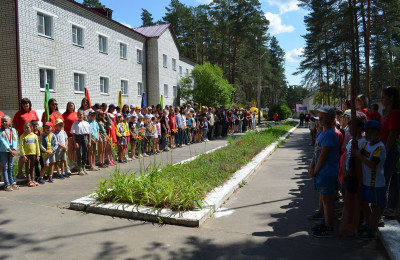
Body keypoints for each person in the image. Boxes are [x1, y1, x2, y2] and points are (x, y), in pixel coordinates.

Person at [350, 120, 386, 239]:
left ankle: (373, 229)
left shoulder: (379, 147)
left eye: (372, 132)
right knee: (365, 204)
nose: (369, 135)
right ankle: (368, 223)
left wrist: (359, 155)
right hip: (365, 181)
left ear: (378, 133)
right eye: (367, 132)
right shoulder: (366, 144)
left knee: (375, 208)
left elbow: (372, 164)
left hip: (375, 183)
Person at [308, 106, 339, 237]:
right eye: (319, 116)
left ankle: (329, 226)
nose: (319, 119)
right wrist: (311, 165)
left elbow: (323, 155)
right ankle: (326, 222)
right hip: (322, 171)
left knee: (327, 200)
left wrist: (315, 170)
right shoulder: (322, 133)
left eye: (322, 117)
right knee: (324, 198)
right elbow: (316, 152)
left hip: (327, 171)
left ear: (331, 119)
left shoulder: (330, 134)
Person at [380, 86, 400, 218]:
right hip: (385, 147)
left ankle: (386, 208)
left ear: (391, 98)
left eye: (383, 97)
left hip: (389, 149)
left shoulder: (395, 113)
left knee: (385, 179)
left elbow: (392, 135)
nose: (381, 99)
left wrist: (384, 153)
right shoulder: (387, 112)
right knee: (390, 179)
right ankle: (389, 207)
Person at [13, 98, 40, 179]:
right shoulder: (19, 113)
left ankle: (31, 173)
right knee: (23, 155)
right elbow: (14, 125)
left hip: (33, 136)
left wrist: (36, 133)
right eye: (24, 104)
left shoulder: (33, 112)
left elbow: (36, 123)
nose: (26, 105)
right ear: (21, 105)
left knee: (32, 154)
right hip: (23, 136)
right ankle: (20, 173)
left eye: (27, 103)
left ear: (29, 104)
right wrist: (19, 133)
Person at [0, 115, 19, 191]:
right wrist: (10, 150)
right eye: (2, 121)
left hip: (11, 152)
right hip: (3, 151)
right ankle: (6, 184)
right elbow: (3, 141)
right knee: (5, 167)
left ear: (10, 122)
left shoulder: (13, 130)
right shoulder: (1, 131)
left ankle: (12, 182)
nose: (4, 122)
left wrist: (14, 150)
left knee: (10, 167)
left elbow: (15, 140)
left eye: (6, 121)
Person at [19, 122, 40, 187]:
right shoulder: (22, 136)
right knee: (27, 167)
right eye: (24, 128)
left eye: (27, 127)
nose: (26, 129)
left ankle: (33, 179)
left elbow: (37, 146)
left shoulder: (34, 136)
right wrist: (23, 155)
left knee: (32, 167)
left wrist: (38, 155)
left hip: (33, 154)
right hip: (26, 155)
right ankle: (29, 180)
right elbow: (21, 146)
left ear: (31, 128)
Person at [71, 110, 91, 175]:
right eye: (78, 114)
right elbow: (73, 134)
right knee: (79, 154)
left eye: (81, 114)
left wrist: (89, 141)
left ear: (83, 115)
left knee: (85, 154)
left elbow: (89, 133)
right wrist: (75, 142)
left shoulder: (86, 123)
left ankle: (83, 167)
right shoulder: (75, 124)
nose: (80, 116)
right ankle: (80, 169)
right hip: (78, 138)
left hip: (85, 138)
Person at [62, 102, 78, 173]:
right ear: (67, 107)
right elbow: (62, 124)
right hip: (69, 134)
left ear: (74, 106)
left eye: (72, 106)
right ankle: (71, 163)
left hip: (76, 134)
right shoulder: (64, 115)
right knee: (71, 149)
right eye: (69, 106)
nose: (71, 107)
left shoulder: (76, 113)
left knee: (75, 149)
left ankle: (75, 162)